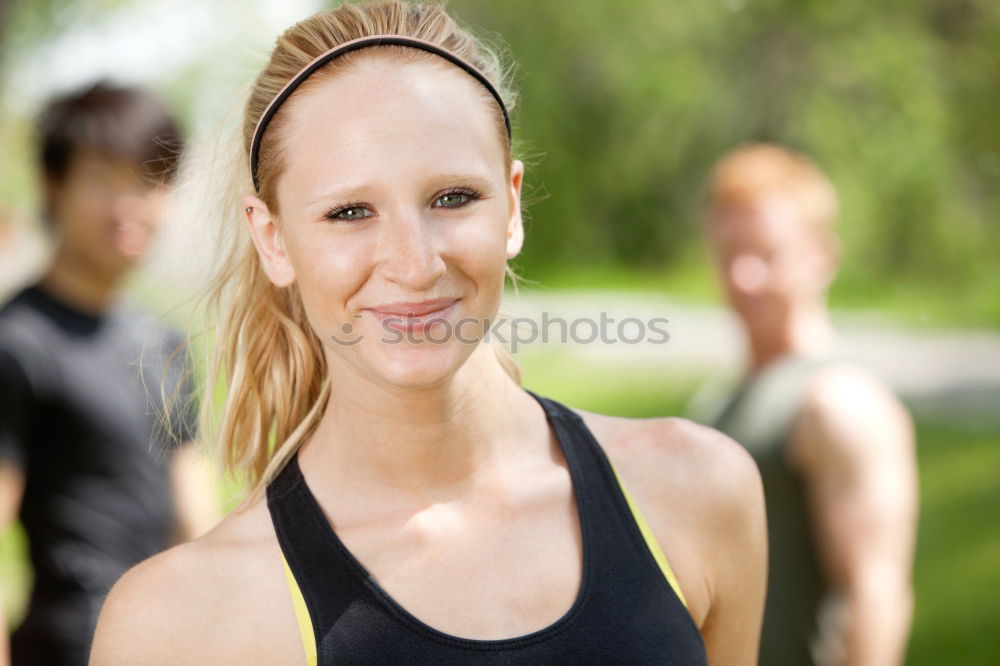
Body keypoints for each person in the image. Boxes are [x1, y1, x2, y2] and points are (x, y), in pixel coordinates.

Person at [90, 3, 767, 664]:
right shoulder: (180, 622)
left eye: (453, 198)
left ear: (512, 205)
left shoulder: (697, 490)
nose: (414, 265)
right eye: (351, 212)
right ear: (272, 239)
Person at [0, 81, 220, 666]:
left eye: (148, 180)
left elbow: (195, 521)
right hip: (71, 641)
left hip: (166, 644)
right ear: (54, 185)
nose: (129, 206)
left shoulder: (164, 342)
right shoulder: (17, 343)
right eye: (103, 180)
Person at [696, 143, 918, 665]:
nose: (743, 278)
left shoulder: (840, 403)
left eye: (766, 255)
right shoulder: (728, 394)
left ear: (822, 256)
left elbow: (876, 595)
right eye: (730, 256)